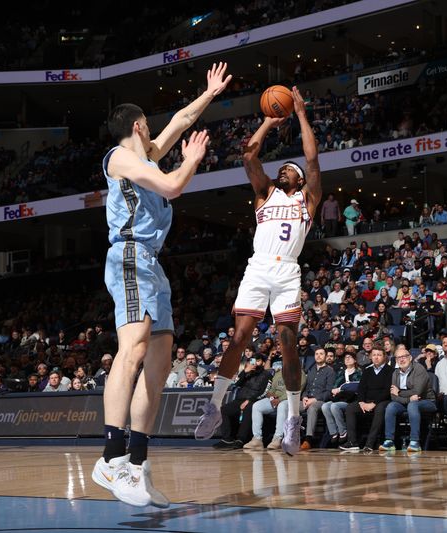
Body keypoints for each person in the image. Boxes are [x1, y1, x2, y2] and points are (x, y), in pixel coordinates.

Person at [92, 62, 231, 508]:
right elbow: (172, 186)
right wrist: (190, 161)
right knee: (132, 349)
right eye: (148, 126)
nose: (156, 132)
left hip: (151, 263)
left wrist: (209, 94)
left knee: (159, 362)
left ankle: (137, 464)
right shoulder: (120, 158)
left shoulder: (145, 153)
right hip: (130, 256)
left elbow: (180, 121)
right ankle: (111, 458)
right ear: (136, 125)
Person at [196, 86, 322, 457]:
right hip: (258, 267)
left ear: (299, 181)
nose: (285, 169)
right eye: (282, 167)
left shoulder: (307, 200)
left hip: (287, 273)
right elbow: (249, 155)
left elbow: (313, 161)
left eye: (291, 169)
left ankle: (294, 418)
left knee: (287, 344)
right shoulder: (264, 194)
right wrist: (268, 120)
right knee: (238, 338)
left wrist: (300, 113)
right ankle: (214, 407)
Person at [379, 347, 437, 452]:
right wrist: (408, 399)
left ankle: (415, 442)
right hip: (408, 402)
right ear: (396, 360)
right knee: (391, 406)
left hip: (427, 401)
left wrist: (400, 393)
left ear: (410, 358)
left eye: (404, 356)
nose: (401, 359)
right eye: (398, 358)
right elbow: (393, 396)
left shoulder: (419, 368)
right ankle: (389, 441)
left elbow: (417, 392)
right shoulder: (395, 373)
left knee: (413, 405)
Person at [339, 348, 394, 451]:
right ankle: (352, 442)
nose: (376, 357)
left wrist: (374, 403)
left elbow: (387, 391)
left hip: (382, 401)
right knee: (350, 408)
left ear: (384, 357)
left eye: (379, 355)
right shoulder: (367, 370)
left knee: (380, 409)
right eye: (374, 355)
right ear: (370, 357)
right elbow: (361, 389)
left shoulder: (390, 370)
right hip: (366, 401)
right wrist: (361, 402)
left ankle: (370, 443)